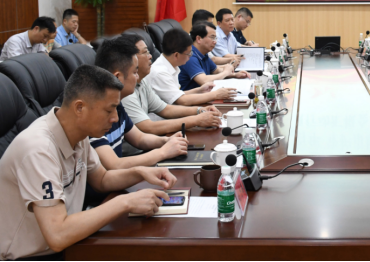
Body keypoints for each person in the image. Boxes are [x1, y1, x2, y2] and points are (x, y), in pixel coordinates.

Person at [0, 65, 177, 261]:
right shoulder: (38, 150)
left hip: (69, 243)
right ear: (79, 108)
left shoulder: (78, 133)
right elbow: (57, 235)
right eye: (109, 110)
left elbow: (102, 179)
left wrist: (140, 172)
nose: (115, 118)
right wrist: (125, 202)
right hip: (31, 256)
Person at [91, 37, 189, 170]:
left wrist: (167, 141)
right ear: (117, 77)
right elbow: (114, 165)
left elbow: (140, 138)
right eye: (134, 72)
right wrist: (163, 152)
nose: (137, 78)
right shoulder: (93, 114)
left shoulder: (117, 105)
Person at [120, 34, 223, 136]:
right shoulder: (125, 91)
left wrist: (199, 110)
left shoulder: (142, 81)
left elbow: (165, 109)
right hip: (151, 135)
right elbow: (148, 128)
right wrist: (196, 119)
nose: (150, 56)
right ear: (131, 58)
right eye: (145, 52)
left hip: (158, 132)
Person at [147, 28, 237, 106]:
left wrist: (199, 90)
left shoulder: (172, 65)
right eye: (188, 53)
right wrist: (215, 94)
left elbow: (177, 94)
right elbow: (182, 100)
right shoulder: (160, 72)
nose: (190, 56)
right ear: (176, 55)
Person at [179, 22, 250, 91]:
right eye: (212, 37)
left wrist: (235, 75)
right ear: (199, 39)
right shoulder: (190, 56)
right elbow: (204, 81)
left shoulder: (204, 53)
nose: (215, 41)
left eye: (215, 38)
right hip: (193, 97)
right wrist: (225, 72)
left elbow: (216, 70)